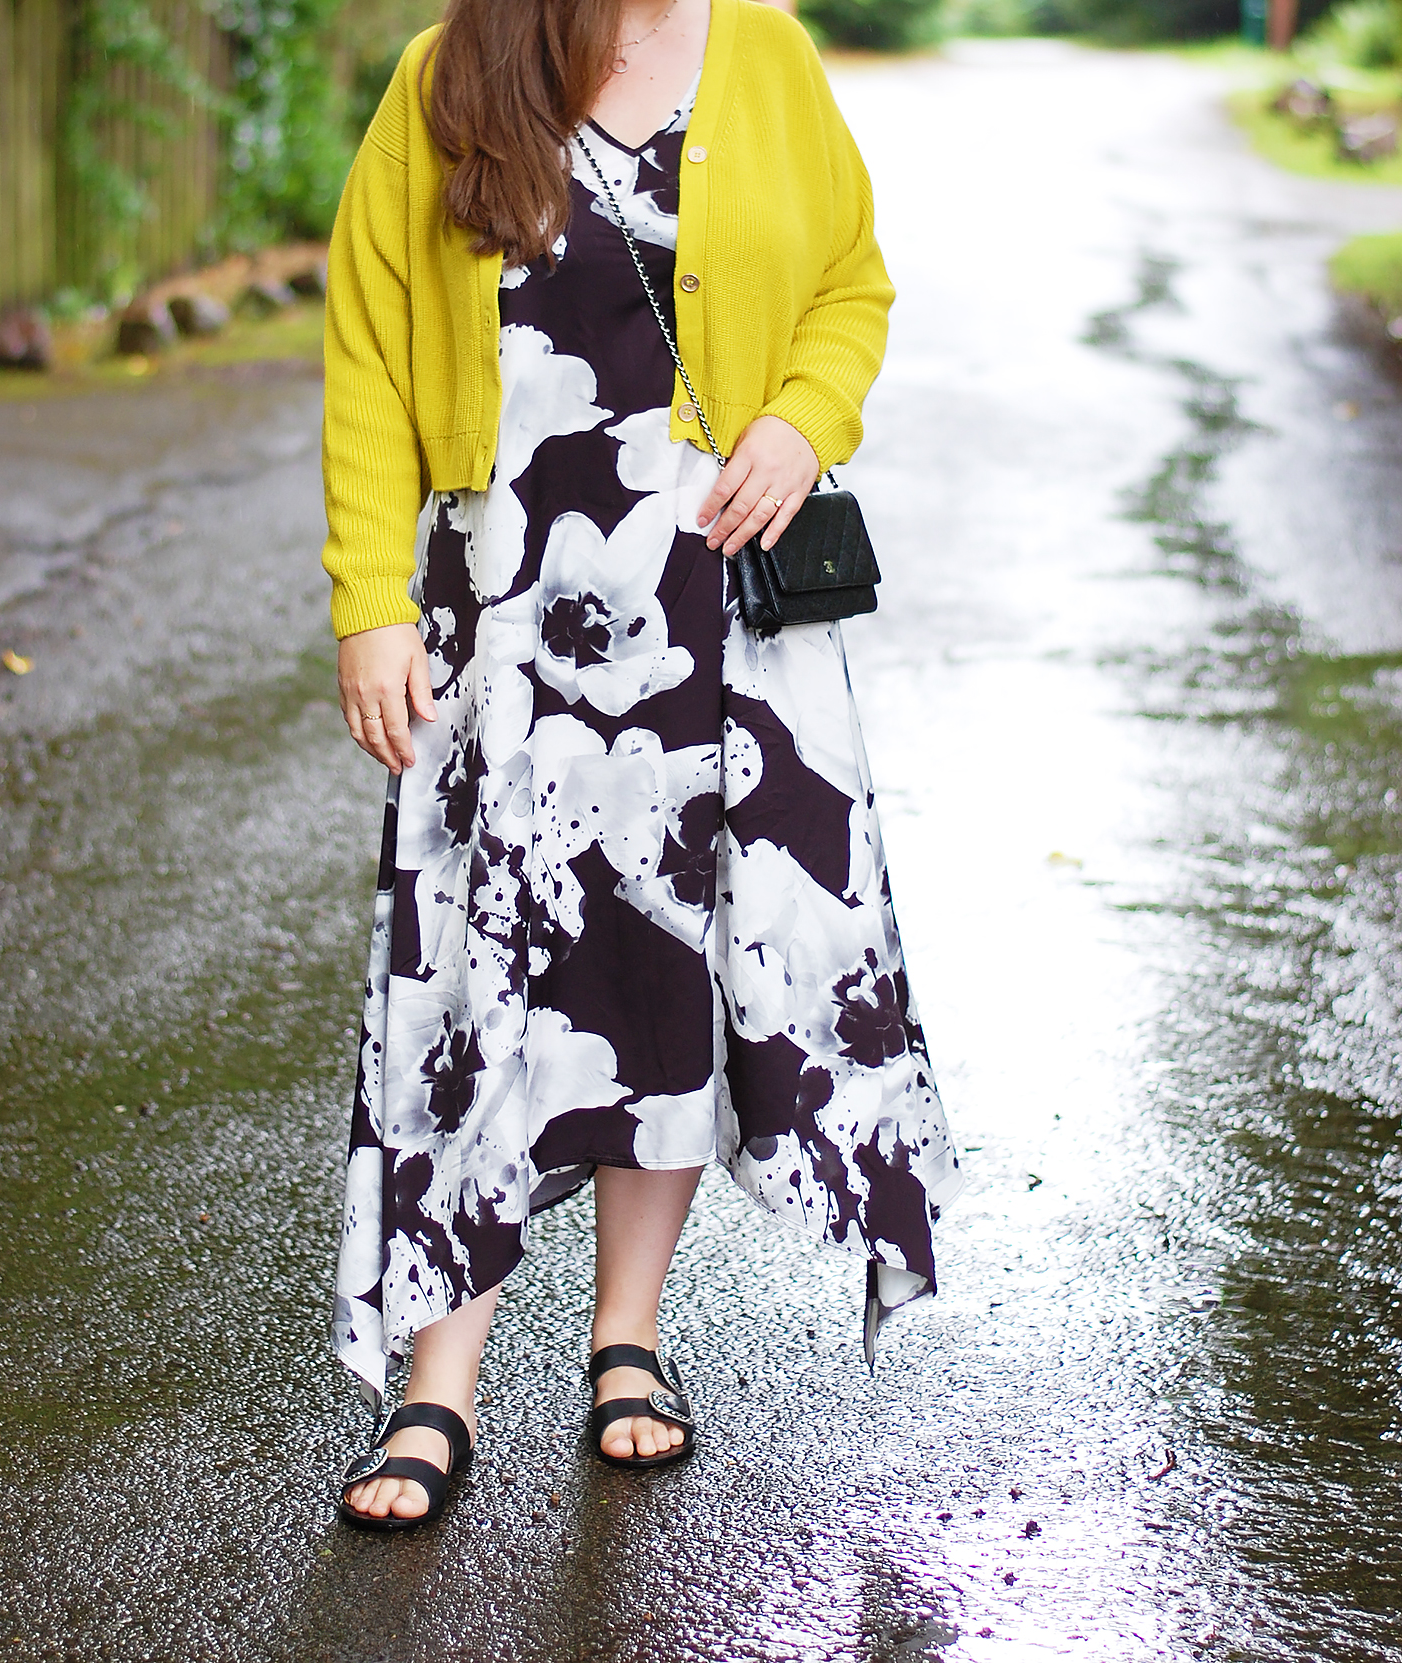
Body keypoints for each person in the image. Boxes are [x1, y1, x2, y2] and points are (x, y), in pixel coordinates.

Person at [323, 0, 962, 1530]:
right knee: (481, 980)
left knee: (667, 970)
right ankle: (438, 1390)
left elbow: (850, 288)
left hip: (713, 617)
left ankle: (630, 1343)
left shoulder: (766, 53)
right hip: (505, 615)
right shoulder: (451, 69)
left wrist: (808, 423)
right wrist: (370, 602)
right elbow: (363, 352)